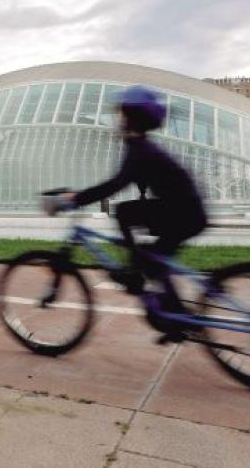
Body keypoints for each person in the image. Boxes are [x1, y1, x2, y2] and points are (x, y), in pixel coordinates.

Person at [54, 85, 208, 337]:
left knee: (125, 212)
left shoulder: (140, 149)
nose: (118, 119)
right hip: (187, 212)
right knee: (154, 261)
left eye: (122, 113)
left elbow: (116, 184)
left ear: (132, 117)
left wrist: (77, 198)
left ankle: (134, 271)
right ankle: (174, 317)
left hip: (183, 213)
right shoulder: (143, 147)